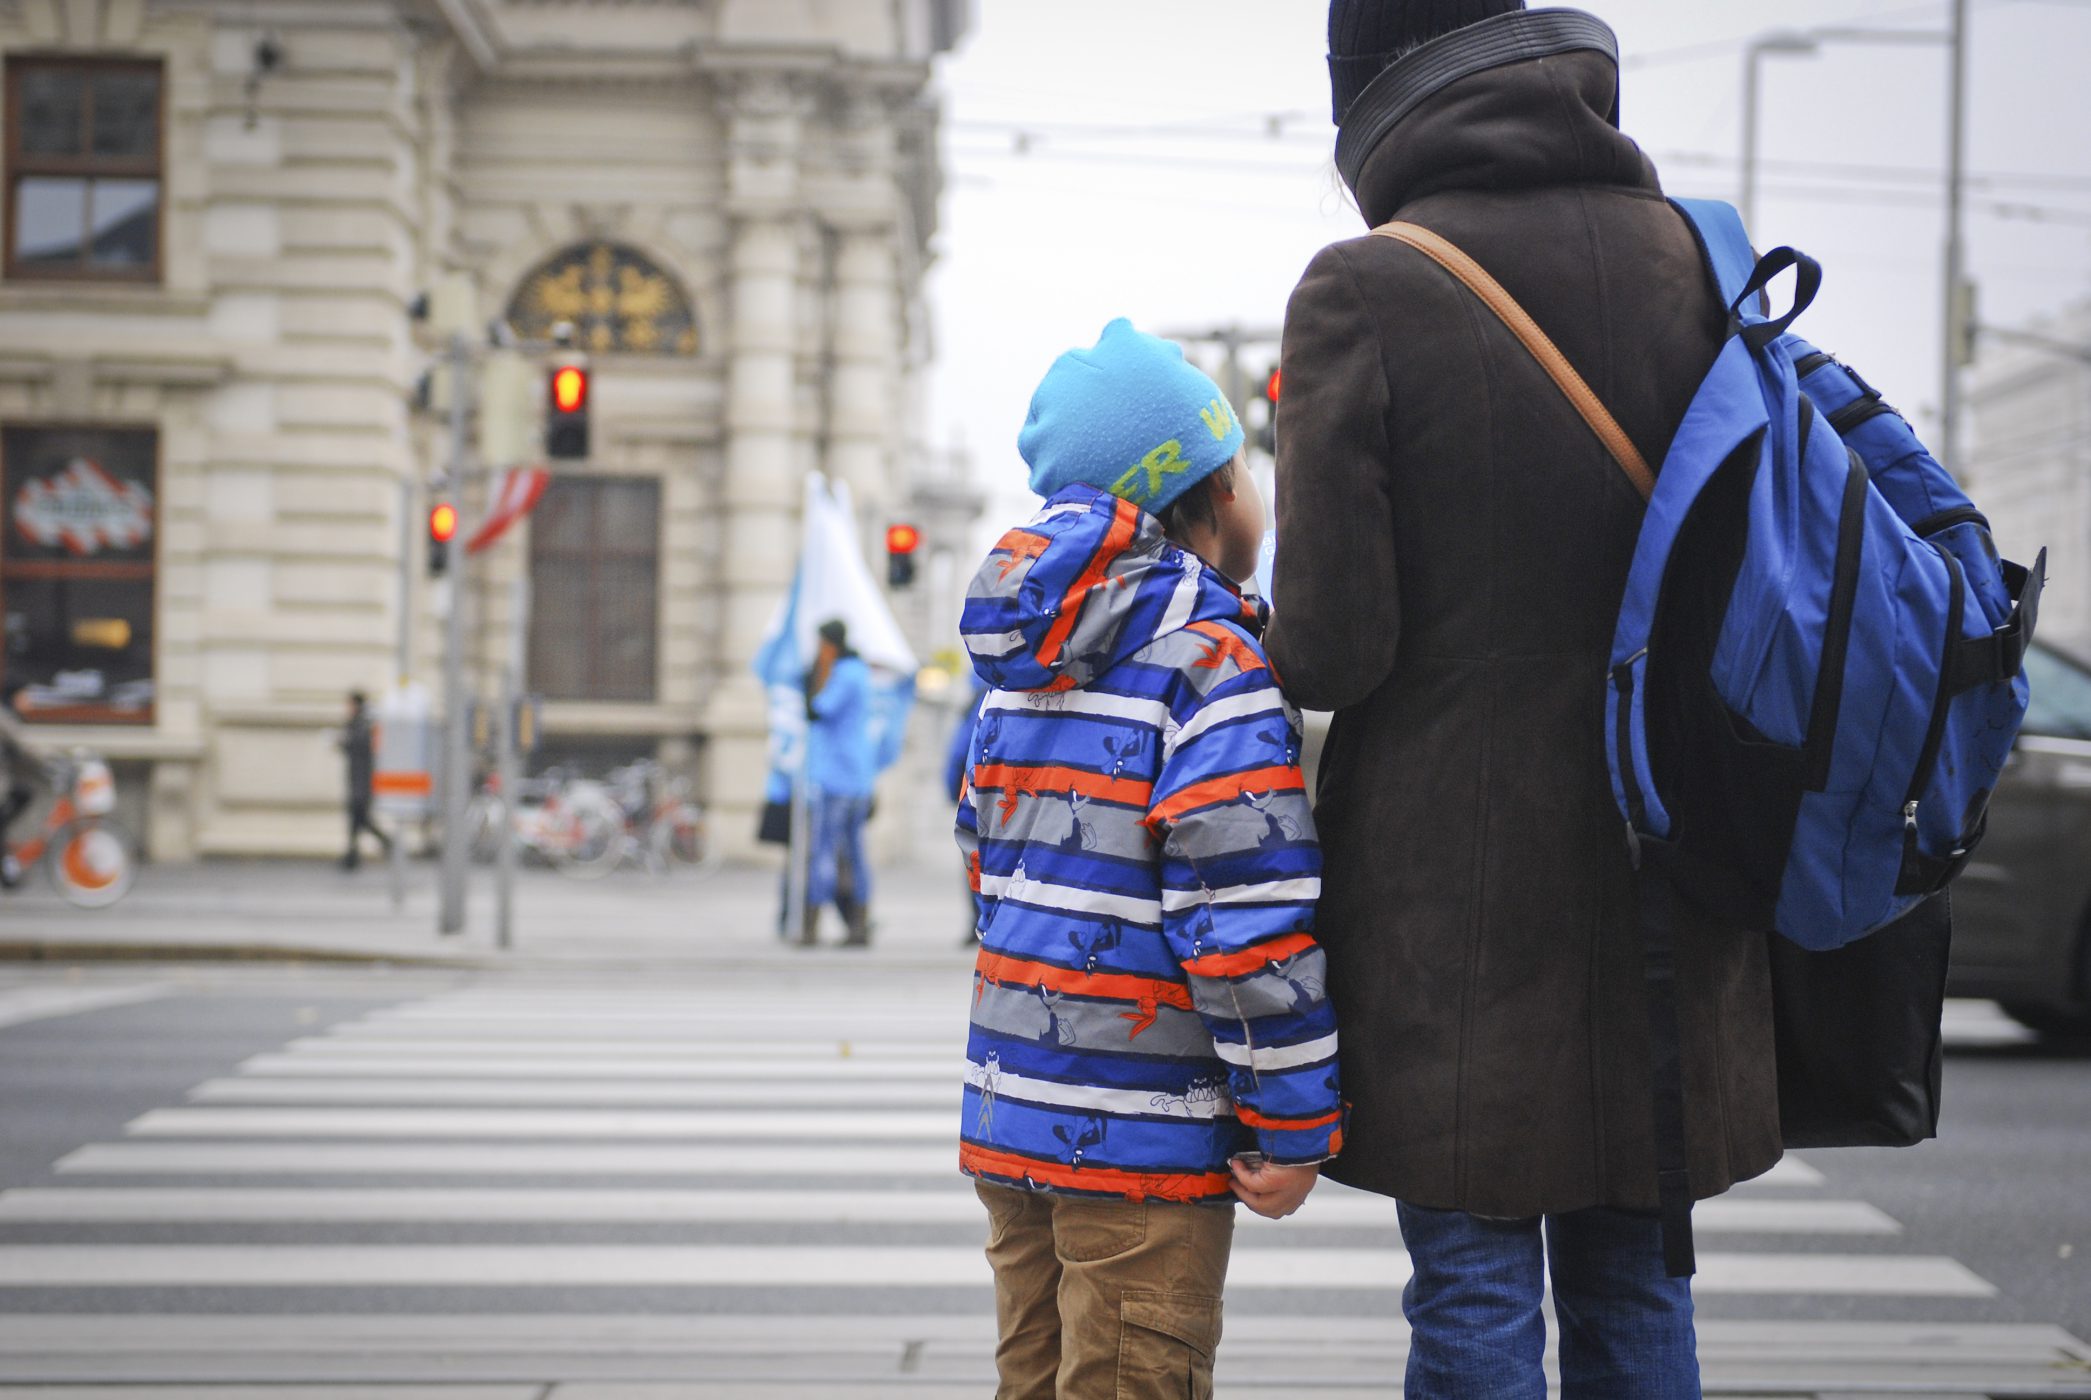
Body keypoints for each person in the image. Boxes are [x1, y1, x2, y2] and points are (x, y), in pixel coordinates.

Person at [1263, 4, 1782, 1396]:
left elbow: (1328, 648)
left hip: (1458, 903)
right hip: (1681, 867)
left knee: (1475, 1289)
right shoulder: (1701, 261)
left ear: (1365, 100)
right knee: (1635, 1283)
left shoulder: (1366, 287)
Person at [956, 319, 1343, 1397]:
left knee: (1034, 1376)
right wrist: (1292, 1114)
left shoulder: (1019, 667)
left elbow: (984, 851)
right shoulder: (1210, 662)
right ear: (1220, 490)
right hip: (1144, 1141)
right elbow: (1241, 912)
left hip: (1012, 1111)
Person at [802, 618, 875, 947]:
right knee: (856, 854)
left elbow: (817, 709)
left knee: (823, 853)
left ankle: (810, 926)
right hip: (857, 777)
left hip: (835, 778)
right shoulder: (860, 672)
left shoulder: (842, 675)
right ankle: (858, 923)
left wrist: (815, 676)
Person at [337, 690, 390, 872]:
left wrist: (345, 740)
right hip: (357, 780)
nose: (347, 708)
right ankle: (352, 856)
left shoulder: (363, 724)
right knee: (357, 821)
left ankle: (355, 855)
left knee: (361, 820)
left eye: (349, 704)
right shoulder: (357, 723)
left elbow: (360, 745)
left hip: (362, 781)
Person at [0, 681, 45, 889]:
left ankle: (7, 865)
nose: (29, 701)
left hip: (6, 781)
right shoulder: (4, 717)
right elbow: (25, 746)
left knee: (22, 796)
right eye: (25, 696)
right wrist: (53, 760)